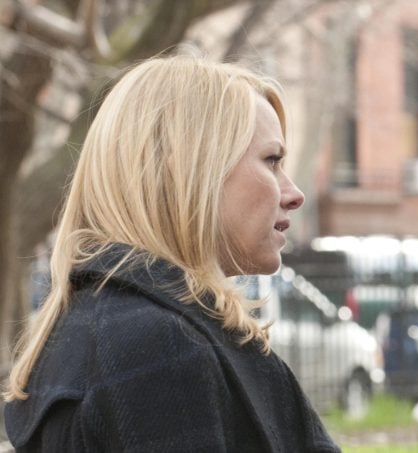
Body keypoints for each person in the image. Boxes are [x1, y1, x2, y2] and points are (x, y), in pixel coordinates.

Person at [3, 55, 341, 452]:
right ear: (188, 170)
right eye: (271, 161)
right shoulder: (158, 343)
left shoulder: (103, 326)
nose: (294, 194)